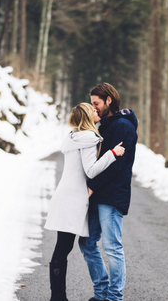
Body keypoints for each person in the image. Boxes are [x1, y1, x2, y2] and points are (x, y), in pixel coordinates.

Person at [44, 103, 125, 301]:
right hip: (73, 199)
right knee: (63, 248)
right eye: (93, 110)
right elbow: (91, 170)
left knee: (62, 248)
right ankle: (58, 297)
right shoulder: (88, 138)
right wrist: (112, 154)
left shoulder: (74, 136)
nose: (97, 111)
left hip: (65, 195)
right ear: (87, 117)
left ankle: (58, 296)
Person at [78, 82, 138, 301]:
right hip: (98, 194)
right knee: (86, 242)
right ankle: (102, 292)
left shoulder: (123, 126)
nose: (94, 108)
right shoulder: (103, 125)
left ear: (108, 100)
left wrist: (92, 187)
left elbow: (116, 164)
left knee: (112, 247)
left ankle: (114, 297)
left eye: (96, 104)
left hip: (111, 195)